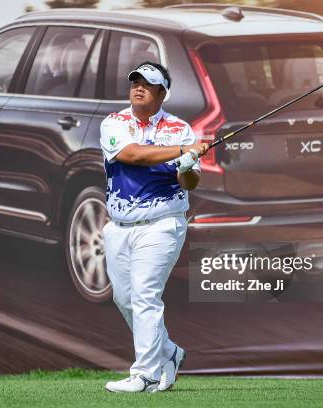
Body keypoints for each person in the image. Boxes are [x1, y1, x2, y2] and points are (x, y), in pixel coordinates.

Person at [100, 61, 209, 393]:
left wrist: (189, 164)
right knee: (125, 299)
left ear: (163, 92)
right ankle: (169, 353)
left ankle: (145, 375)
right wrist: (182, 151)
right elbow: (132, 155)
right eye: (135, 81)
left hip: (162, 224)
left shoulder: (180, 129)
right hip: (119, 226)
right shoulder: (113, 123)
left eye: (147, 83)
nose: (138, 87)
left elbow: (188, 182)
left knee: (146, 295)